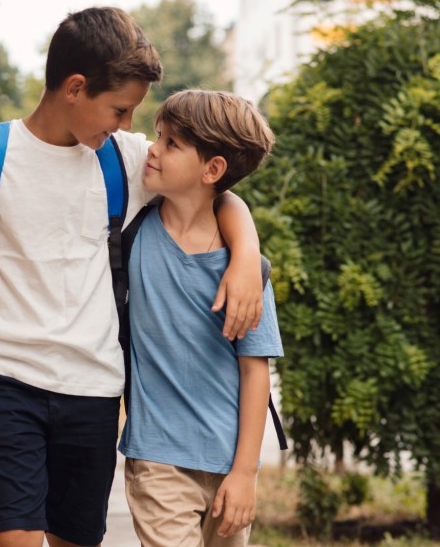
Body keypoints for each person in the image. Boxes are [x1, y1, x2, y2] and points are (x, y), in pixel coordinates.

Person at [0, 7, 265, 547]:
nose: (128, 125)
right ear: (75, 87)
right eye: (119, 109)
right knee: (13, 537)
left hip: (93, 389)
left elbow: (217, 192)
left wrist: (246, 254)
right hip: (2, 375)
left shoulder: (128, 160)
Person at [117, 89, 284, 547]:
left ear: (212, 170)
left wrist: (246, 472)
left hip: (230, 463)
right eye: (158, 136)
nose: (153, 148)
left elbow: (256, 372)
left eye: (172, 144)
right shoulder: (133, 234)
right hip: (157, 459)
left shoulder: (246, 272)